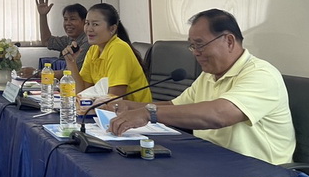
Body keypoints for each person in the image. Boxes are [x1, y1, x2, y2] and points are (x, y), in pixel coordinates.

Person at [108, 9, 295, 165]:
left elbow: (220, 115)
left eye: (200, 45)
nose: (195, 53)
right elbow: (175, 106)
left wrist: (149, 113)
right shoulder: (209, 75)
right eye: (192, 46)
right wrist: (128, 106)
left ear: (229, 41)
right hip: (214, 162)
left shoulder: (262, 75)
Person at [64, 3, 150, 102]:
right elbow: (81, 93)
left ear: (112, 29)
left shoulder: (118, 48)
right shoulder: (93, 50)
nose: (89, 29)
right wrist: (71, 62)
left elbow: (114, 99)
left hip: (135, 110)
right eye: (87, 23)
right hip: (107, 108)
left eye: (95, 24)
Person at [21, 0, 90, 78]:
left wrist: (36, 73)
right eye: (65, 19)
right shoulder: (69, 40)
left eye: (72, 19)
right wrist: (43, 16)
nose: (68, 23)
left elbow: (70, 73)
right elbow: (46, 41)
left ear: (84, 21)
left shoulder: (88, 41)